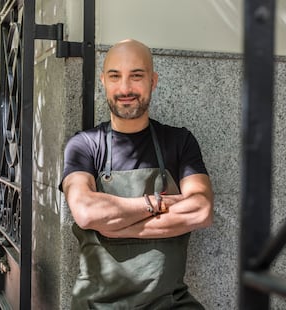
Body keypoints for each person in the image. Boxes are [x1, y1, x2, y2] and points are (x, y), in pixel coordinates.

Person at [60, 39, 214, 309]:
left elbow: (200, 210)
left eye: (137, 76)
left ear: (153, 81)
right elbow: (86, 212)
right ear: (103, 81)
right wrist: (156, 203)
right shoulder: (84, 145)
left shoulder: (179, 141)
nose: (125, 88)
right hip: (97, 304)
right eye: (115, 76)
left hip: (171, 302)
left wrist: (114, 228)